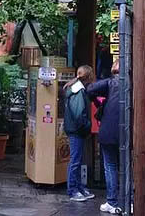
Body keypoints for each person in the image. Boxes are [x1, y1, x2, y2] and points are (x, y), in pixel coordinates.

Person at [86, 59, 121, 214]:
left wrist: (99, 103)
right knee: (128, 166)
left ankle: (112, 202)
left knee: (110, 166)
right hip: (128, 132)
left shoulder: (109, 83)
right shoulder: (134, 84)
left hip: (108, 132)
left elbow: (90, 89)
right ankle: (130, 201)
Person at [63, 65, 95, 203]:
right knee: (75, 161)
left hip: (74, 129)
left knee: (77, 160)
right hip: (77, 130)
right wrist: (87, 126)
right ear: (88, 77)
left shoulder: (75, 88)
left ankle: (78, 188)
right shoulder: (78, 91)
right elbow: (78, 115)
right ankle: (73, 190)